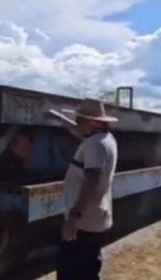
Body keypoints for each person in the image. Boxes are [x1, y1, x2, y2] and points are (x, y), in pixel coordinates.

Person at [48, 99, 118, 280]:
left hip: (84, 223)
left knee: (72, 272)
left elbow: (91, 180)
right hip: (95, 220)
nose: (78, 123)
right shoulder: (105, 139)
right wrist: (60, 118)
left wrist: (74, 217)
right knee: (87, 269)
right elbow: (80, 132)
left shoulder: (95, 145)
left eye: (80, 120)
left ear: (93, 122)